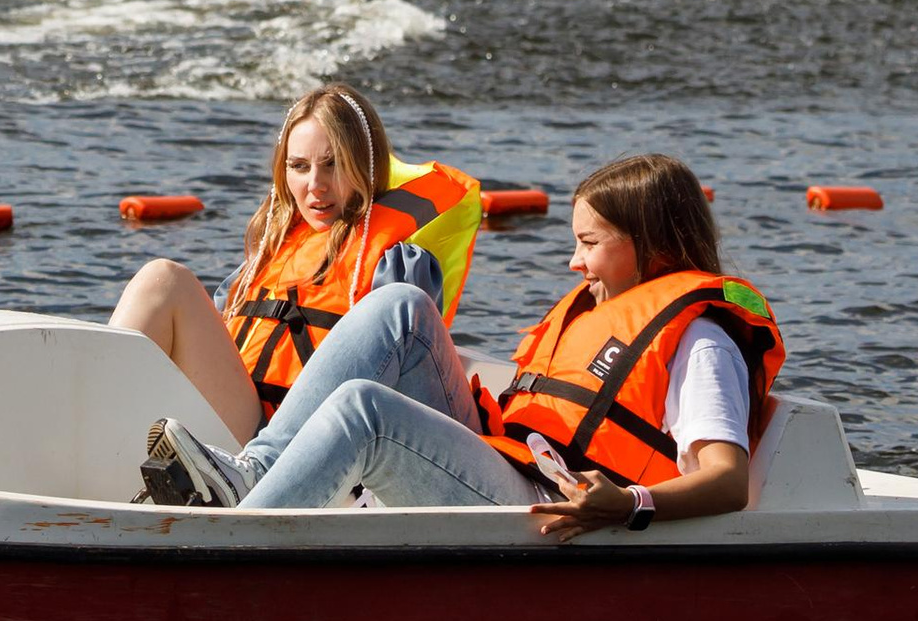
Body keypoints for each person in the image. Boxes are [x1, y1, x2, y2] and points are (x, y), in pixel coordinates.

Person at [140, 151, 781, 533]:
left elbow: (727, 482)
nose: (571, 262)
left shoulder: (701, 342)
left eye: (588, 244)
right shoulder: (605, 309)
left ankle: (233, 546)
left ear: (656, 248)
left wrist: (625, 505)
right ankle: (252, 473)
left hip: (556, 511)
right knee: (401, 306)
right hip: (513, 459)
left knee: (365, 412)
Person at [110, 77, 480, 446]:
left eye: (332, 164)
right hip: (233, 420)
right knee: (159, 280)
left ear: (364, 166)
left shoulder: (396, 265)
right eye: (299, 166)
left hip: (300, 447)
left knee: (167, 278)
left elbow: (408, 381)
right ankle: (88, 428)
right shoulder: (269, 253)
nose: (315, 184)